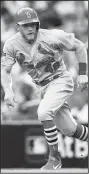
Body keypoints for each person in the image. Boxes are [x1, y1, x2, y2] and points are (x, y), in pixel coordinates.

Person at [1, 7, 88, 170]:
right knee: (70, 129)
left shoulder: (52, 36)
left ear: (38, 25)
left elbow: (80, 46)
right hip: (42, 88)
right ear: (17, 27)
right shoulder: (12, 44)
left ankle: (54, 159)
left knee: (43, 112)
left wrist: (83, 74)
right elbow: (4, 71)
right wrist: (8, 90)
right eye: (25, 25)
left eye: (33, 24)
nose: (30, 28)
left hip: (60, 80)